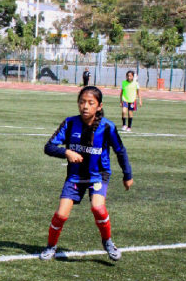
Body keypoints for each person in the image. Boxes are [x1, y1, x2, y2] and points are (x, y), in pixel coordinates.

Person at [39, 86, 133, 262]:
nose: (85, 106)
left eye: (91, 103)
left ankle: (107, 242)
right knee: (61, 215)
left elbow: (120, 151)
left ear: (99, 106)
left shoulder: (107, 127)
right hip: (75, 177)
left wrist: (127, 175)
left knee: (97, 207)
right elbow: (48, 147)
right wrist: (66, 152)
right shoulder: (70, 123)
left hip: (98, 175)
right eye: (82, 102)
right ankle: (51, 246)